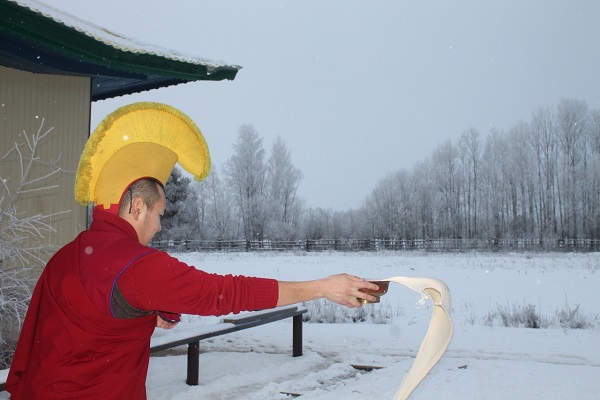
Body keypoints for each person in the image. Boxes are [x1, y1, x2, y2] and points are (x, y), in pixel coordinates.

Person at [6, 103, 378, 399]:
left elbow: (88, 315)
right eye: (159, 214)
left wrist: (142, 311)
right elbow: (227, 292)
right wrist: (323, 287)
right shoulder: (137, 265)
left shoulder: (68, 255)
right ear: (137, 208)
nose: (159, 226)